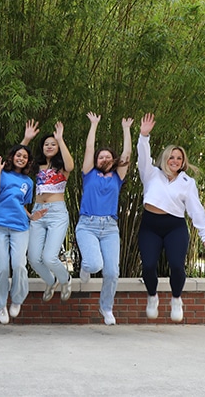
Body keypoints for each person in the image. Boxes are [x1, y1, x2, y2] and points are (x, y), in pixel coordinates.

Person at [135, 113, 205, 322]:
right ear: (165, 159)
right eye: (171, 157)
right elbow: (143, 156)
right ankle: (152, 296)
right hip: (150, 225)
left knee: (176, 265)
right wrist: (144, 136)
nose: (175, 161)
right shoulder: (150, 173)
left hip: (175, 226)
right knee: (148, 265)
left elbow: (195, 208)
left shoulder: (187, 182)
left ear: (183, 162)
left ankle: (176, 299)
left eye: (179, 158)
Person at [74, 113, 133, 325]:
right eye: (101, 157)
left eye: (108, 157)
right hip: (87, 225)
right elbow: (89, 148)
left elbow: (127, 154)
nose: (105, 159)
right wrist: (94, 125)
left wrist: (126, 129)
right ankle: (85, 266)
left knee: (112, 271)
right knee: (94, 264)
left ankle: (106, 307)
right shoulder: (88, 173)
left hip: (110, 227)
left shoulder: (118, 177)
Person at [19, 120, 75, 302]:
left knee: (49, 257)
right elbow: (16, 159)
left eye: (53, 144)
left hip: (57, 213)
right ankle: (51, 281)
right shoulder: (36, 167)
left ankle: (65, 280)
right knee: (33, 259)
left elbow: (71, 165)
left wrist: (61, 138)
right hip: (37, 212)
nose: (49, 146)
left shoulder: (62, 167)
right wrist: (26, 139)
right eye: (46, 144)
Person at [0, 145, 44, 324]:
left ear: (28, 161)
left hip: (20, 226)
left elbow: (21, 205)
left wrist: (32, 216)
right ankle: (0, 304)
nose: (21, 158)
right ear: (12, 156)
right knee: (3, 267)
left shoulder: (27, 182)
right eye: (18, 155)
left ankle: (17, 299)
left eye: (25, 157)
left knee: (19, 264)